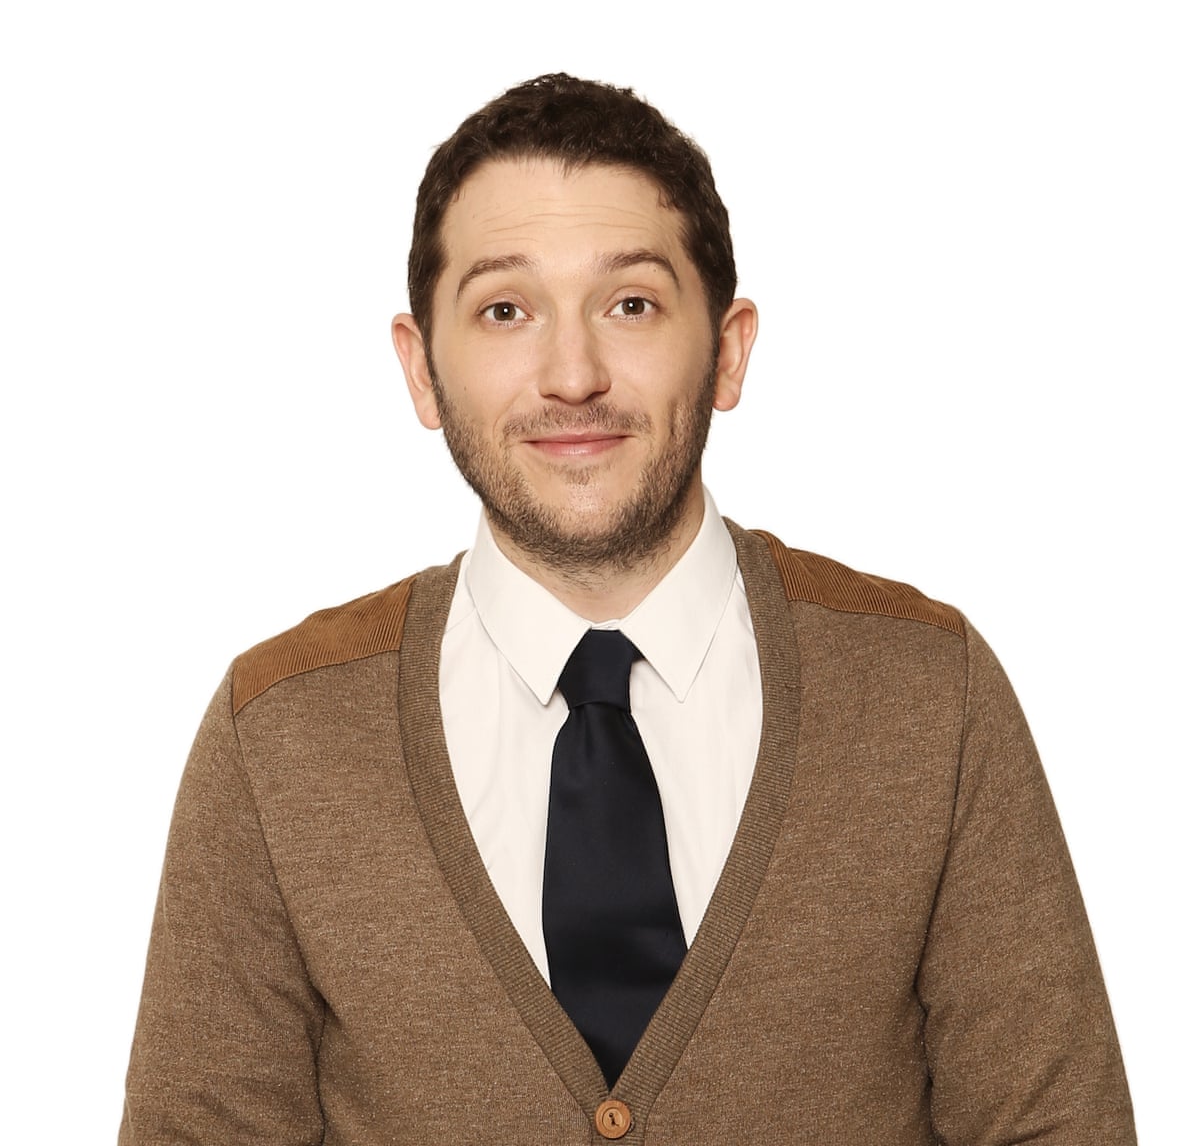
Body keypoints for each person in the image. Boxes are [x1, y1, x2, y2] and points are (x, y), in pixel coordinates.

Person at [119, 74, 1136, 1144]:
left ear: (728, 350)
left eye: (632, 305)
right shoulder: (281, 732)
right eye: (505, 310)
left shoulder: (928, 694)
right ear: (421, 370)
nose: (572, 374)